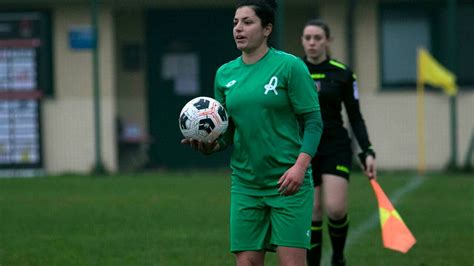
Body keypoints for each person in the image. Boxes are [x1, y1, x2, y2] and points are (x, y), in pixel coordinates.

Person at [182, 1, 323, 265]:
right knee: (247, 262)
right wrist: (210, 146)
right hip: (246, 183)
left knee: (292, 262)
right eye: (235, 22)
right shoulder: (224, 74)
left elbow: (314, 122)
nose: (239, 28)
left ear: (267, 28)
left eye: (247, 22)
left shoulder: (290, 67)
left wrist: (300, 167)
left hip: (288, 182)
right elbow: (226, 131)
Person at [300, 19, 377, 266]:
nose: (312, 43)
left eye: (317, 38)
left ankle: (338, 258)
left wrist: (367, 150)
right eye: (307, 38)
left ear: (328, 41)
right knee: (312, 211)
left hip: (335, 146)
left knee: (335, 209)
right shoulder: (294, 71)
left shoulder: (343, 73)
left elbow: (355, 116)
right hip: (304, 149)